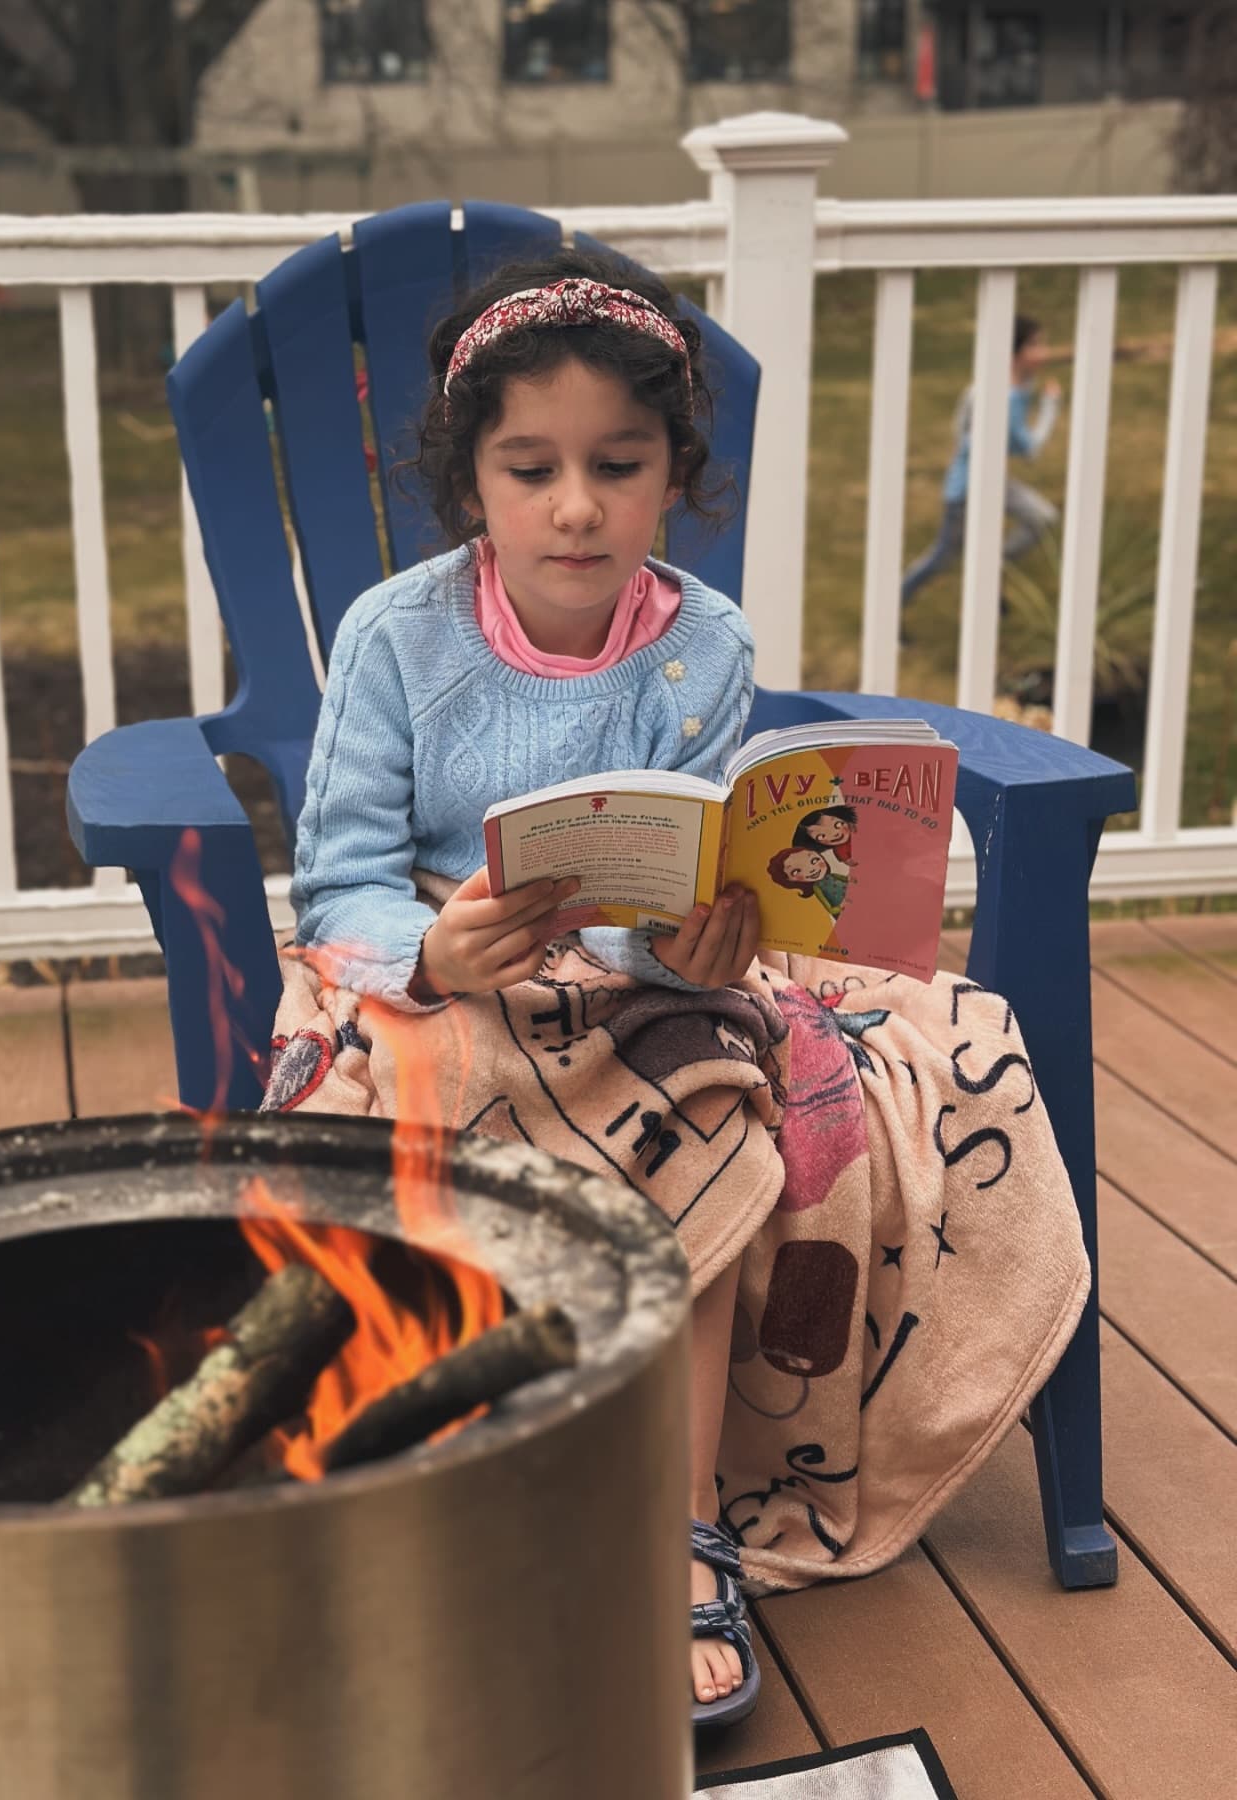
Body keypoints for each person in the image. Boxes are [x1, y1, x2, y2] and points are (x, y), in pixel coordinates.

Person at [260, 250, 1090, 1734]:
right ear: (473, 489)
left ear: (672, 479)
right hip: (440, 980)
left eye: (617, 466)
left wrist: (693, 945)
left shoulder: (703, 643)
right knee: (385, 1103)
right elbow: (341, 885)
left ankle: (681, 1525)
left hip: (631, 991)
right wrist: (432, 949)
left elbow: (698, 859)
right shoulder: (399, 639)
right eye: (532, 468)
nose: (574, 505)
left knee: (718, 1113)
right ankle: (440, 1493)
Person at [901, 314, 1062, 609]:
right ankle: (893, 603)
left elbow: (960, 425)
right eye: (1036, 345)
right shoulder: (1007, 399)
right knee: (943, 557)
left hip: (992, 481)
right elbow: (1028, 449)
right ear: (1014, 353)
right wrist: (1051, 406)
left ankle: (991, 568)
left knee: (1043, 518)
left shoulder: (999, 385)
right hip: (966, 490)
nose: (1045, 352)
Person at [767, 845, 849, 920]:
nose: (811, 869)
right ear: (790, 881)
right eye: (796, 871)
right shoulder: (817, 888)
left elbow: (848, 879)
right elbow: (830, 909)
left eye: (814, 860)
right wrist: (841, 906)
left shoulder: (832, 875)